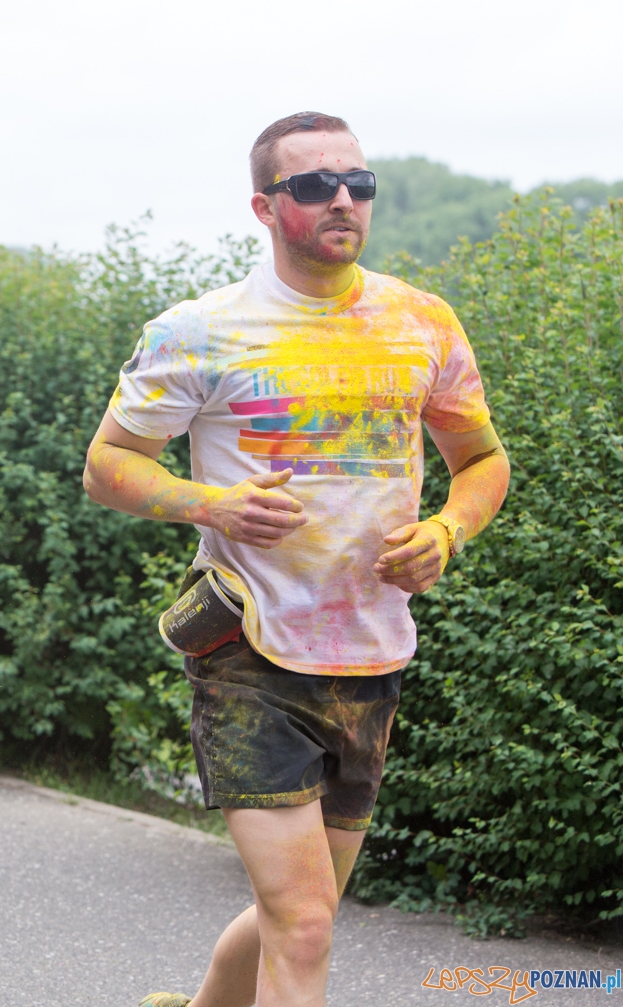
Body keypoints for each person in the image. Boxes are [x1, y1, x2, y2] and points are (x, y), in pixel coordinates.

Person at [82, 112, 510, 1007]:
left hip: (371, 653)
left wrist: (445, 532)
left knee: (304, 910)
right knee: (306, 922)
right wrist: (212, 503)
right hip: (250, 650)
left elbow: (481, 461)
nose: (343, 199)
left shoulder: (421, 322)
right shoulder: (199, 330)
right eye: (315, 185)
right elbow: (108, 466)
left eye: (359, 183)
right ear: (265, 207)